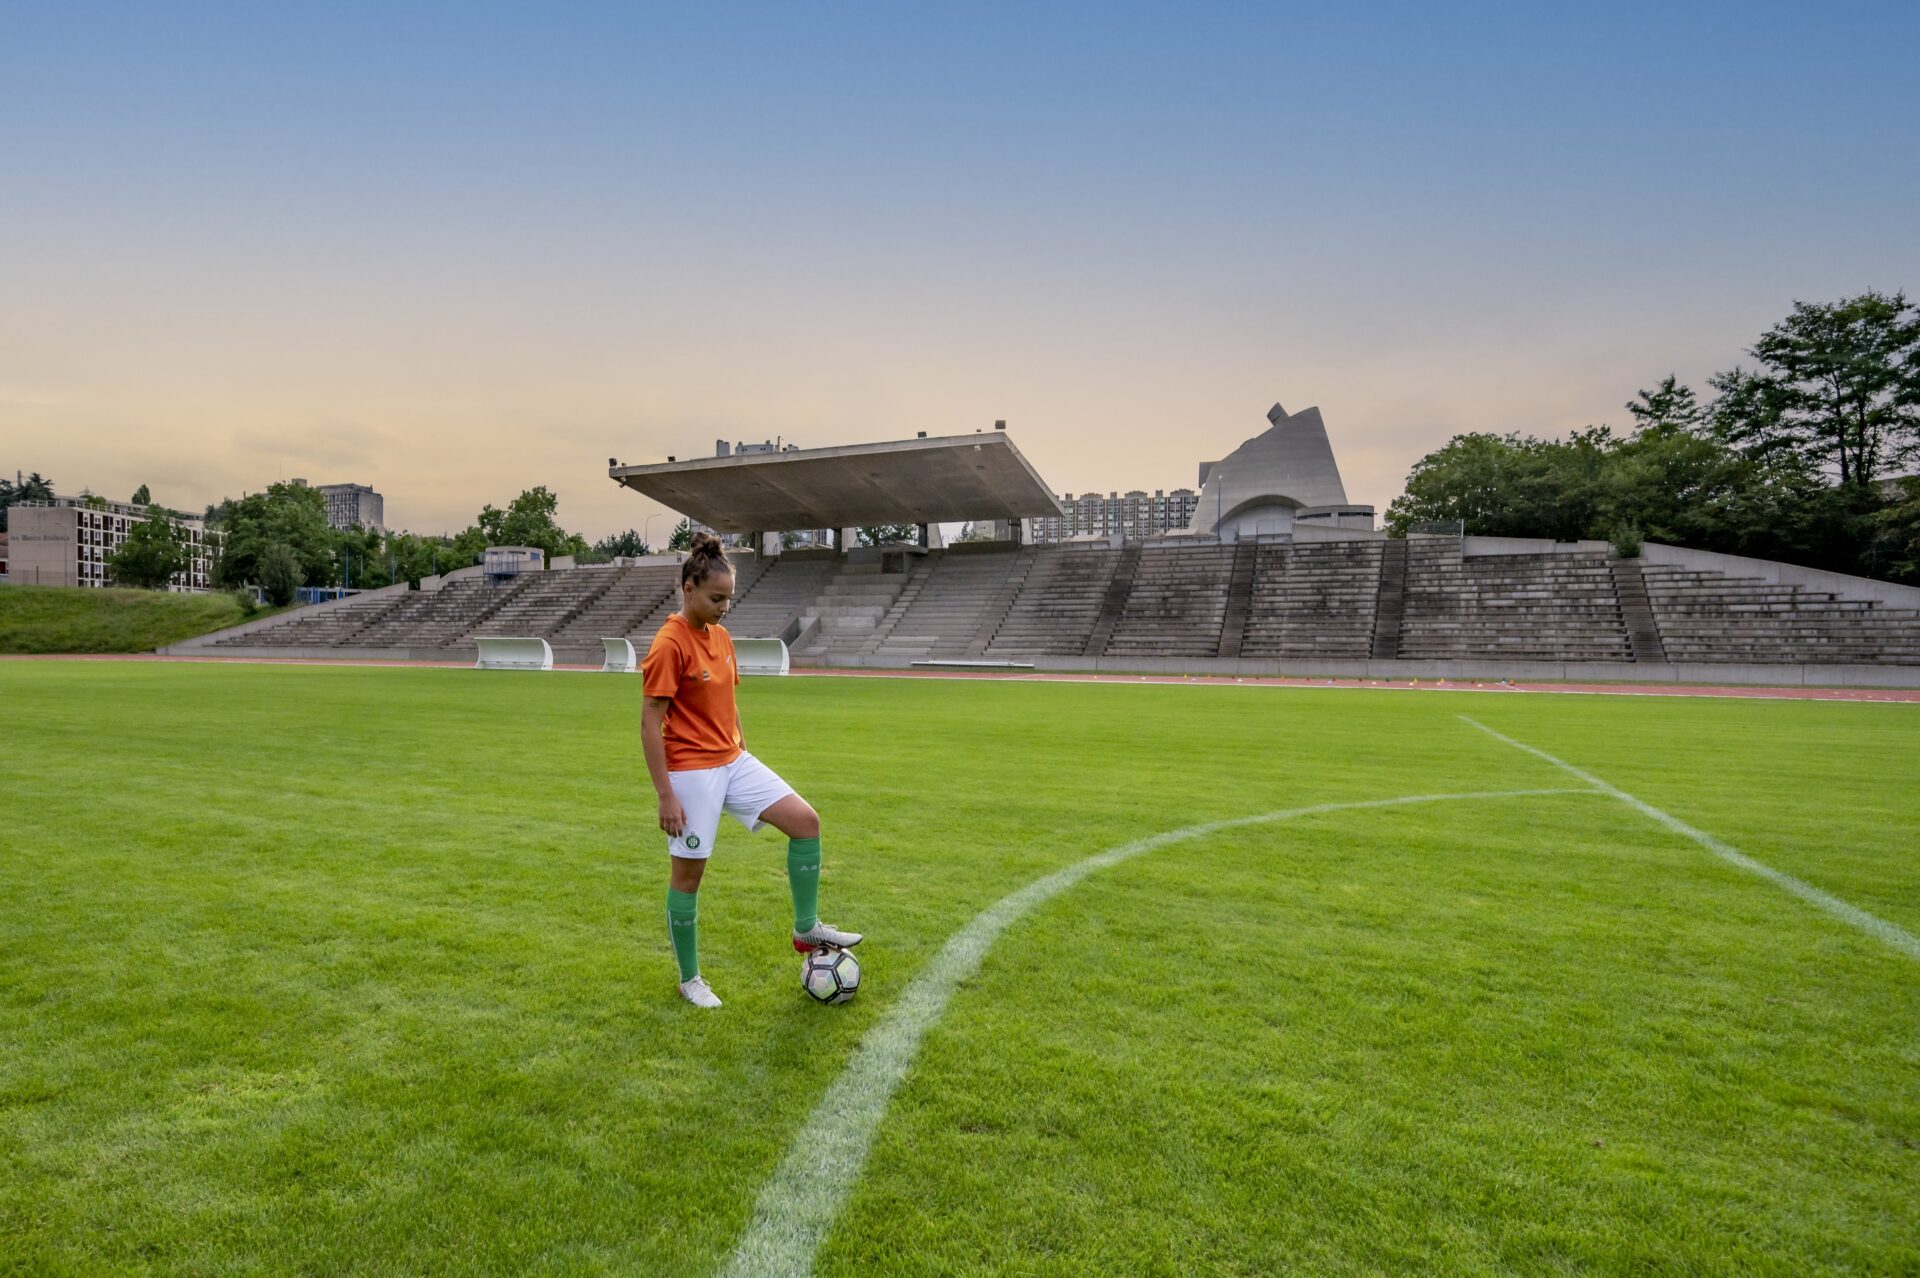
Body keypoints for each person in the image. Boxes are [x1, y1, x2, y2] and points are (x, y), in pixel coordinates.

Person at [641, 533, 861, 1008]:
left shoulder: (719, 637)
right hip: (691, 773)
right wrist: (665, 795)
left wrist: (744, 752)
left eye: (729, 599)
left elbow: (728, 701)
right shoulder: (669, 643)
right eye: (716, 598)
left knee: (806, 822)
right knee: (688, 878)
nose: (724, 608)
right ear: (688, 588)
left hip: (734, 760)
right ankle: (689, 979)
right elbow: (649, 721)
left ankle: (806, 930)